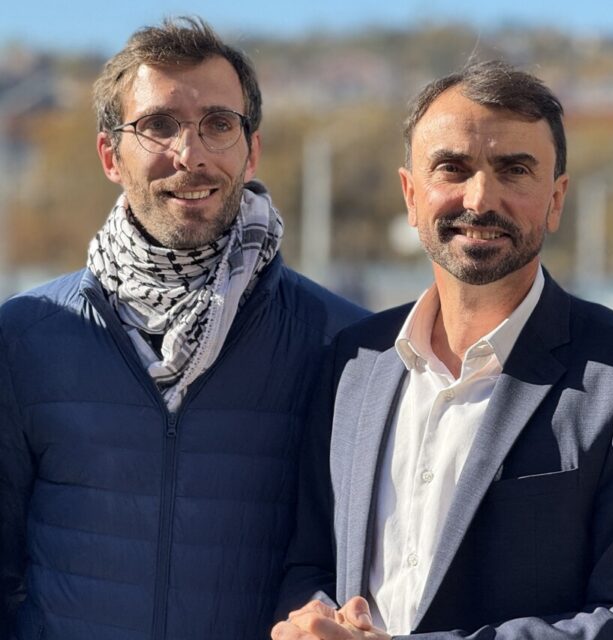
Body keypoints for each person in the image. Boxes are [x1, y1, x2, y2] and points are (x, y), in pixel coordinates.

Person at [271, 60, 613, 640]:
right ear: (410, 194)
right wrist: (314, 620)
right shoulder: (353, 363)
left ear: (556, 199)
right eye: (452, 168)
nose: (480, 199)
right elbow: (309, 562)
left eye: (515, 170)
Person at [0, 16, 366, 640]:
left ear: (251, 150)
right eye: (159, 125)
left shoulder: (345, 344)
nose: (190, 155)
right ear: (110, 155)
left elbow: (348, 562)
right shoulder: (24, 337)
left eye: (218, 125)